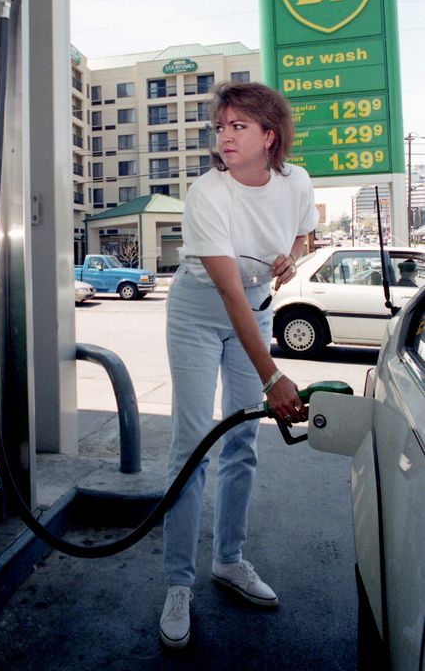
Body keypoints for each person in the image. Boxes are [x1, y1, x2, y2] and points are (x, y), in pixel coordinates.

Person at [159, 81, 318, 649]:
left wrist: (291, 258)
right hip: (200, 311)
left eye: (238, 126)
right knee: (191, 443)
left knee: (243, 440)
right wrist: (273, 375)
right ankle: (178, 584)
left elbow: (303, 233)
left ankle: (228, 560)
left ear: (269, 137)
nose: (224, 137)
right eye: (221, 127)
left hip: (256, 306)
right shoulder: (207, 193)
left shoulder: (296, 181)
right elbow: (229, 294)